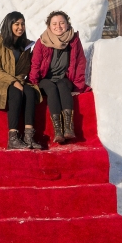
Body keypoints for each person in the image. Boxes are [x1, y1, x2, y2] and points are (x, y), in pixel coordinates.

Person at [0, 11, 41, 150]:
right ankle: (13, 137)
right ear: (9, 25)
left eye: (22, 24)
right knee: (15, 91)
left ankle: (28, 137)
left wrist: (19, 80)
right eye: (17, 24)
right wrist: (14, 82)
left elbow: (24, 69)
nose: (20, 27)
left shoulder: (25, 46)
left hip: (17, 81)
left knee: (30, 91)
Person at [30, 10, 87, 144]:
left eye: (62, 23)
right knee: (51, 87)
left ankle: (68, 127)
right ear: (49, 26)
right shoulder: (42, 42)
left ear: (67, 24)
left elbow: (80, 62)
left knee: (62, 85)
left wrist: (78, 86)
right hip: (45, 80)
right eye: (54, 24)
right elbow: (35, 64)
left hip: (64, 78)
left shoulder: (74, 41)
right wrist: (33, 84)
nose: (58, 26)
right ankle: (58, 131)